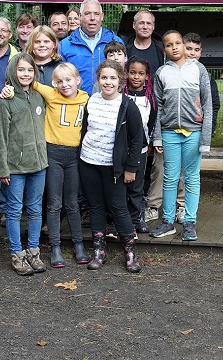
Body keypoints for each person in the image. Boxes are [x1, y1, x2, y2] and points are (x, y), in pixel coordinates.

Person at [80, 60, 146, 272]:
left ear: (120, 80)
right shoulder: (91, 101)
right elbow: (84, 130)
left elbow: (137, 140)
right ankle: (99, 250)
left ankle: (130, 251)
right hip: (89, 161)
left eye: (112, 78)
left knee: (118, 206)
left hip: (114, 167)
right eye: (103, 78)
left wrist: (130, 168)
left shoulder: (127, 106)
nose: (107, 82)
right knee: (96, 206)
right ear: (98, 80)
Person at [149, 29, 212, 240]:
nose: (174, 47)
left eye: (178, 43)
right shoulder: (161, 73)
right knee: (170, 177)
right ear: (164, 49)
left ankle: (190, 222)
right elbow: (157, 107)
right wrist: (157, 136)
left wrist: (205, 139)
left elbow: (207, 105)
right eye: (169, 44)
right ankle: (167, 221)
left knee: (192, 178)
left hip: (194, 132)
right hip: (169, 133)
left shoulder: (199, 69)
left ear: (184, 46)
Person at [0, 54, 49, 276]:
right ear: (12, 72)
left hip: (39, 165)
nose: (25, 74)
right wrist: (2, 168)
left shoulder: (38, 97)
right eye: (21, 70)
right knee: (14, 211)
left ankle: (33, 251)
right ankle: (17, 254)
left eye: (29, 70)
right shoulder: (6, 100)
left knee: (35, 210)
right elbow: (0, 137)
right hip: (15, 168)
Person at [31, 62, 91, 266]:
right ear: (54, 83)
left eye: (68, 80)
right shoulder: (51, 94)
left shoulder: (86, 99)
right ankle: (55, 246)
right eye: (59, 81)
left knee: (73, 202)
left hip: (75, 155)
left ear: (78, 80)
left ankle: (78, 244)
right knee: (55, 203)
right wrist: (7, 88)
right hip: (53, 154)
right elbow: (29, 80)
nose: (64, 84)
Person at [123, 58, 157, 234]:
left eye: (141, 73)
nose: (136, 77)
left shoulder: (150, 98)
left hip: (141, 150)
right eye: (132, 72)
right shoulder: (121, 95)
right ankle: (119, 219)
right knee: (120, 186)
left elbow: (152, 122)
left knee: (136, 186)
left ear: (147, 76)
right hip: (121, 149)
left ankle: (136, 218)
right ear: (126, 73)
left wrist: (149, 141)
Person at [59, 0, 120, 93]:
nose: (92, 18)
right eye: (87, 14)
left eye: (96, 14)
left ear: (102, 16)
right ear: (80, 16)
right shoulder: (65, 44)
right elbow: (59, 76)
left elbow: (123, 72)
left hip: (108, 101)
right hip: (76, 101)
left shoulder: (115, 41)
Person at [126, 9, 165, 74]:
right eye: (141, 23)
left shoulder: (161, 49)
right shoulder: (125, 47)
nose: (145, 27)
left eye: (148, 23)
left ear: (153, 26)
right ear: (134, 25)